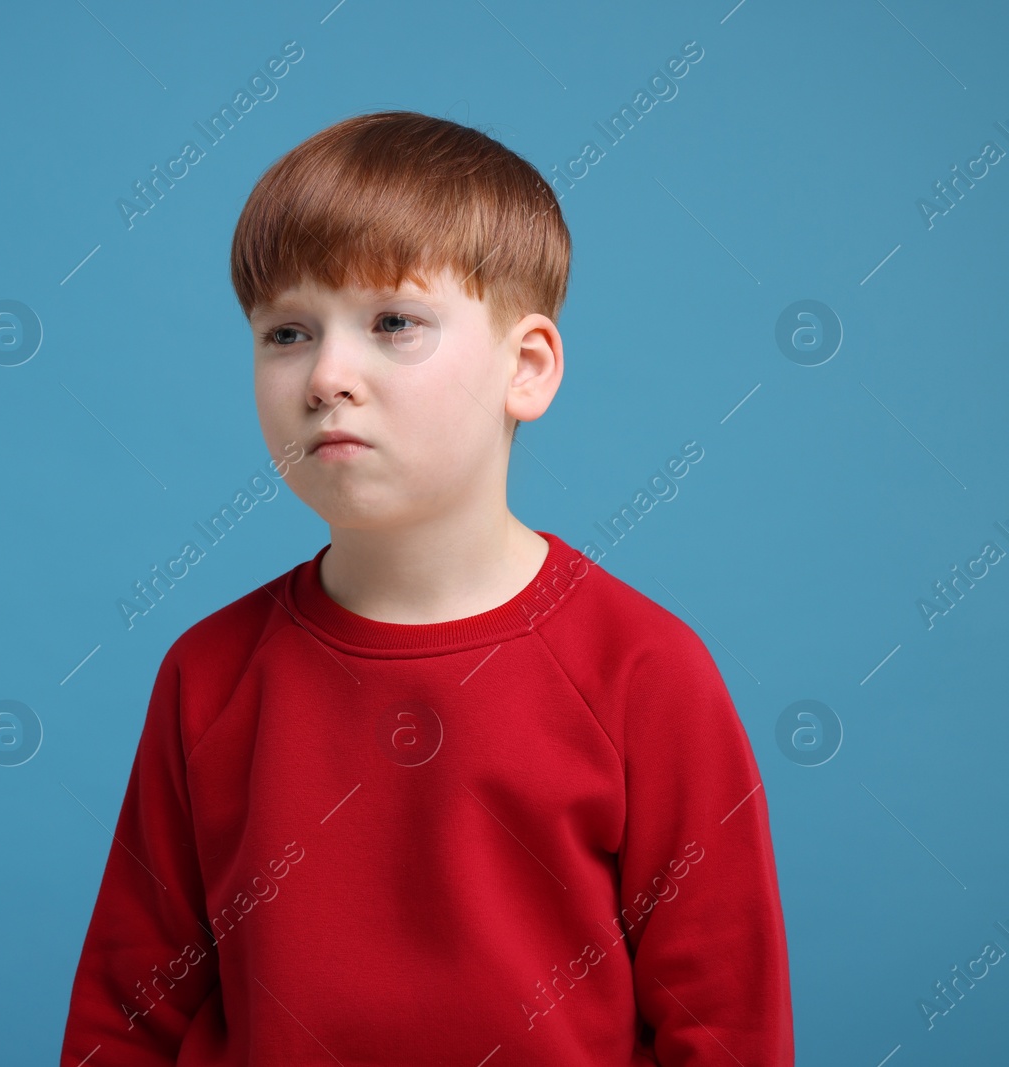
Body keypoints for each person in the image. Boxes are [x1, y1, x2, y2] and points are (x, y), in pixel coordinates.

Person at [59, 109, 793, 1066]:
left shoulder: (646, 672)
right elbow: (127, 1015)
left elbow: (726, 1027)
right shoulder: (208, 675)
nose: (327, 375)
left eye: (393, 323)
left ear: (526, 367)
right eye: (286, 331)